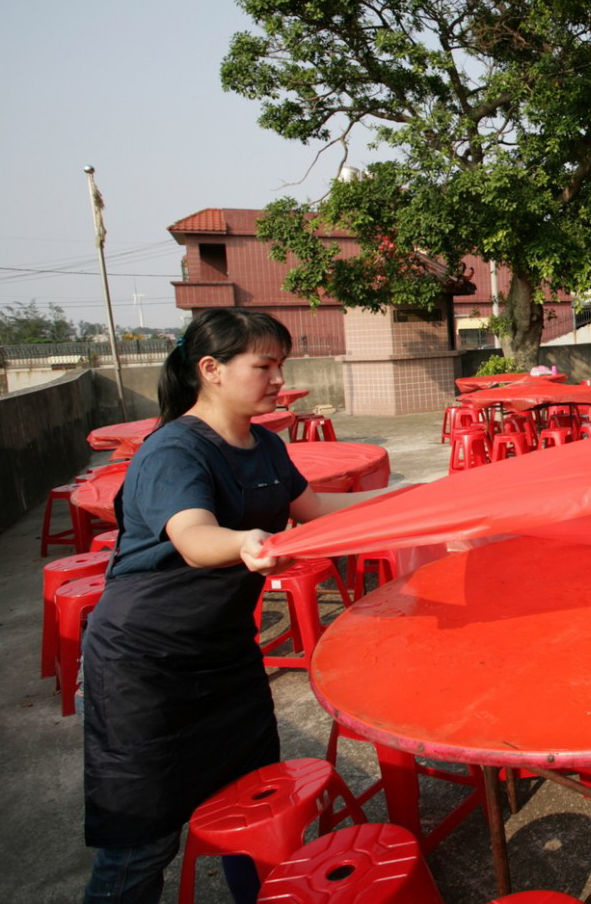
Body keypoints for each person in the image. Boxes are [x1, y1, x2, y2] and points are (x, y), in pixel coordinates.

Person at [81, 309, 387, 904]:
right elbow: (194, 537)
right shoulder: (174, 451)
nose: (278, 379)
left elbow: (315, 508)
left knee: (253, 802)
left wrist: (414, 499)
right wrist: (243, 542)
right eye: (264, 366)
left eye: (281, 365)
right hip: (144, 667)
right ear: (211, 370)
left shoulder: (265, 444)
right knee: (144, 836)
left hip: (223, 655)